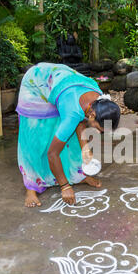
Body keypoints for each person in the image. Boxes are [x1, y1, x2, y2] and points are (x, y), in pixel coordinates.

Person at [16, 63, 120, 208]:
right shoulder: (72, 111)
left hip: (59, 83)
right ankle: (31, 188)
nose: (97, 133)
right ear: (93, 115)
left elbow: (81, 119)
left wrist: (85, 148)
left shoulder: (98, 98)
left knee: (65, 132)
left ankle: (78, 175)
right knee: (37, 136)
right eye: (99, 128)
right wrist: (65, 187)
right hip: (35, 84)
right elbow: (52, 154)